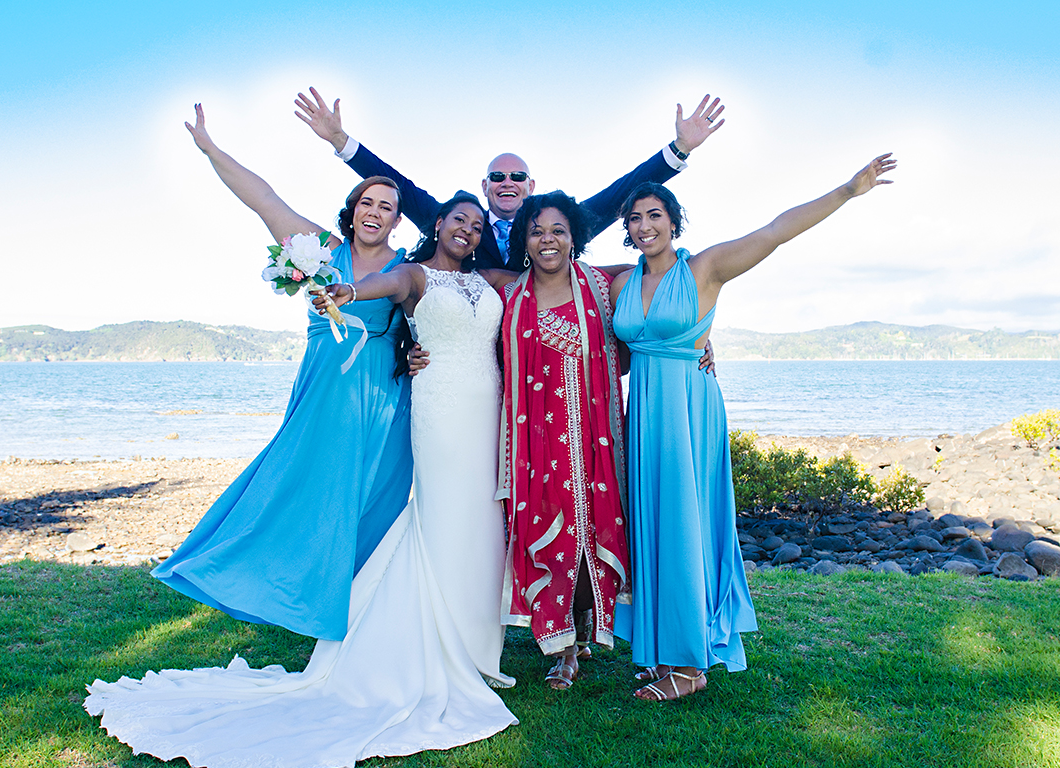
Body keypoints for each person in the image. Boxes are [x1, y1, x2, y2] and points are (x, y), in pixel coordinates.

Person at [86, 194, 520, 768]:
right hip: (438, 411)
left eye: (475, 222)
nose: (466, 228)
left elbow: (553, 273)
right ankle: (430, 646)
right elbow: (382, 289)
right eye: (456, 219)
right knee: (437, 518)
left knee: (477, 522)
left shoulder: (488, 279)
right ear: (436, 224)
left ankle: (472, 642)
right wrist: (344, 292)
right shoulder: (410, 272)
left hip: (481, 408)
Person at [610, 154, 898, 700]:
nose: (644, 226)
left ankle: (690, 666)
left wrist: (846, 190)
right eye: (634, 219)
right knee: (652, 527)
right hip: (643, 411)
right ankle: (658, 648)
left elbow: (774, 232)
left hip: (687, 412)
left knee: (686, 525)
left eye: (654, 215)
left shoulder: (704, 269)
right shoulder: (622, 279)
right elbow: (558, 275)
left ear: (674, 221)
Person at [149, 104, 413, 642]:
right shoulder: (322, 250)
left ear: (396, 220)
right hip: (324, 392)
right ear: (353, 209)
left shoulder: (407, 265)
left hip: (383, 398)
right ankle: (264, 579)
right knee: (292, 485)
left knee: (370, 497)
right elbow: (263, 198)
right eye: (367, 201)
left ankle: (357, 604)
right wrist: (210, 149)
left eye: (386, 207)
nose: (375, 212)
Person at [294, 87, 725, 271]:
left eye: (517, 176)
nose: (507, 182)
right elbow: (399, 187)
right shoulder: (456, 225)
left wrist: (679, 151)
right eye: (497, 176)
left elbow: (618, 194)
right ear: (484, 187)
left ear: (530, 187)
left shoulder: (558, 225)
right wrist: (341, 141)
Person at [495, 192, 632, 690]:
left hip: (595, 438)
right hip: (538, 443)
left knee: (591, 533)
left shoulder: (601, 285)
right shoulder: (510, 297)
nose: (547, 239)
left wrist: (703, 337)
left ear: (574, 236)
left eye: (557, 229)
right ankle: (564, 648)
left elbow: (668, 280)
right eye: (536, 231)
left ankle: (586, 629)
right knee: (552, 535)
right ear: (524, 241)